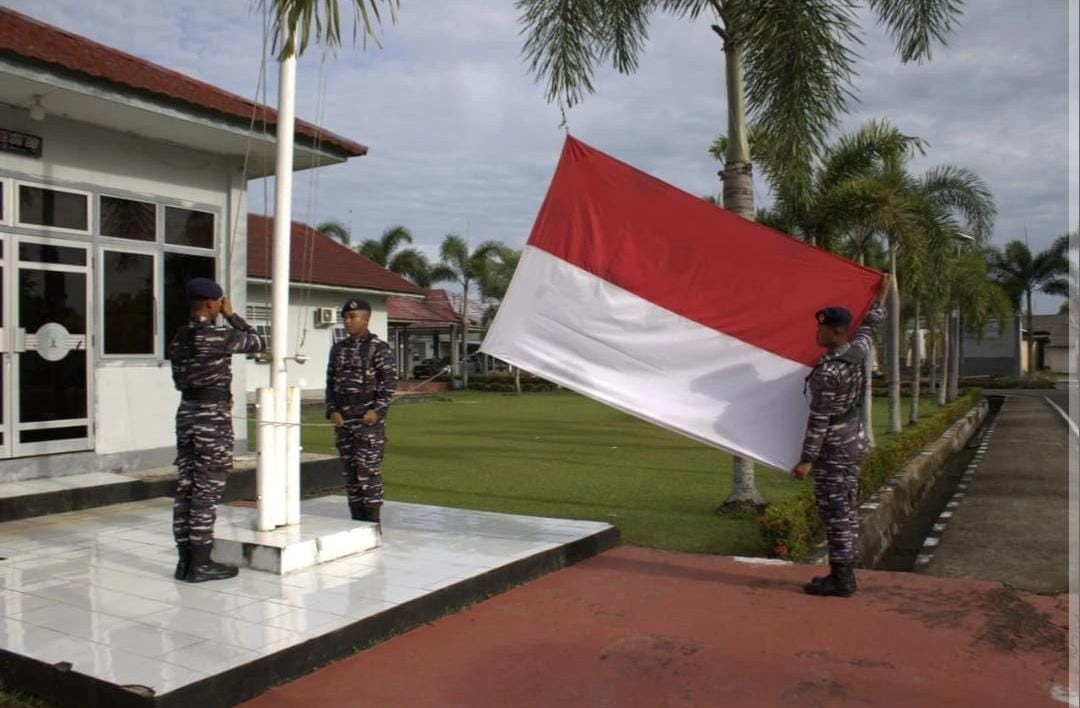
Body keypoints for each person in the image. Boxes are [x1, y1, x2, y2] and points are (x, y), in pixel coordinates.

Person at [791, 276, 889, 597]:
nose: (816, 334)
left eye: (821, 329)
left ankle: (843, 580)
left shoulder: (829, 372)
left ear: (835, 332)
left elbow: (819, 419)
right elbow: (868, 327)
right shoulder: (858, 353)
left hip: (834, 450)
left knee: (836, 514)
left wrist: (807, 460)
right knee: (844, 509)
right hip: (854, 442)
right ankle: (840, 573)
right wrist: (881, 298)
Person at [169, 277, 263, 582]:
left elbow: (179, 380)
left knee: (186, 488)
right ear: (212, 303)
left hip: (187, 415)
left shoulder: (180, 337)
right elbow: (258, 340)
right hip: (211, 419)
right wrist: (232, 315)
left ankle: (185, 561)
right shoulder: (219, 335)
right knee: (205, 491)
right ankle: (200, 563)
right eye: (219, 303)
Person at [325, 299, 397, 524]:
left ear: (366, 320)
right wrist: (332, 411)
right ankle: (357, 524)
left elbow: (389, 384)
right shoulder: (338, 349)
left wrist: (377, 411)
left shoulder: (379, 348)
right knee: (350, 475)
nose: (347, 321)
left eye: (352, 317)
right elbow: (330, 383)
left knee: (369, 474)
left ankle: (373, 525)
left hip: (368, 423)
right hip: (344, 422)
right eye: (345, 317)